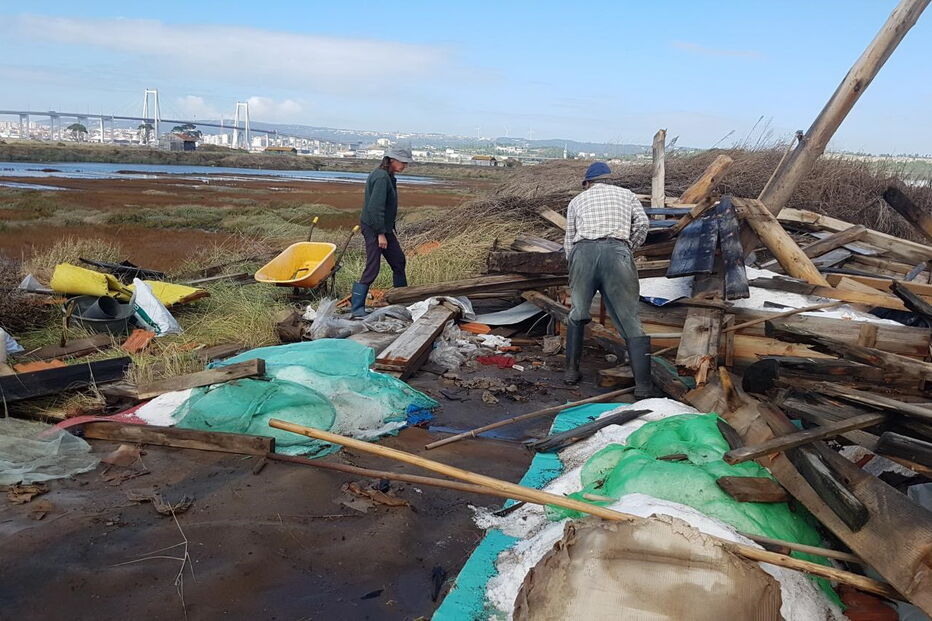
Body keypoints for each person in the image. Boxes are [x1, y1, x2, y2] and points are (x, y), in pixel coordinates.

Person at [563, 161, 655, 398]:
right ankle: (643, 387)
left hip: (583, 252)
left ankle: (571, 372)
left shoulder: (577, 201)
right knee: (629, 318)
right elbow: (644, 224)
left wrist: (574, 264)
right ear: (609, 179)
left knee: (578, 312)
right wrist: (627, 248)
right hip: (617, 252)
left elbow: (569, 240)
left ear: (587, 183)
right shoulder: (627, 195)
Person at [351, 144, 414, 317]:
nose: (405, 166)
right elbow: (375, 208)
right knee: (373, 267)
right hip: (373, 227)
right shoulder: (380, 177)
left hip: (383, 228)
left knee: (398, 261)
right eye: (403, 162)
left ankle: (402, 300)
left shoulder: (389, 176)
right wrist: (380, 234)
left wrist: (386, 231)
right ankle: (356, 308)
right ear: (392, 160)